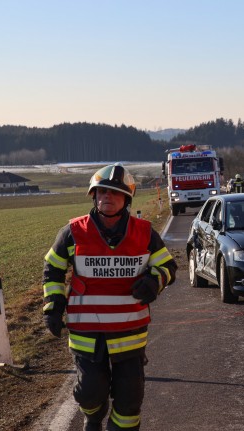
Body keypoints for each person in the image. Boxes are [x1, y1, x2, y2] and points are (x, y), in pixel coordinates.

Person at [42, 163, 177, 431]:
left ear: (126, 199)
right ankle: (93, 415)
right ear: (94, 195)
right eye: (102, 191)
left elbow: (168, 267)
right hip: (86, 333)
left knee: (129, 400)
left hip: (130, 332)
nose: (107, 197)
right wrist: (53, 307)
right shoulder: (73, 232)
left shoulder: (144, 232)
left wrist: (154, 281)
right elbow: (53, 268)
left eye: (115, 193)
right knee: (90, 393)